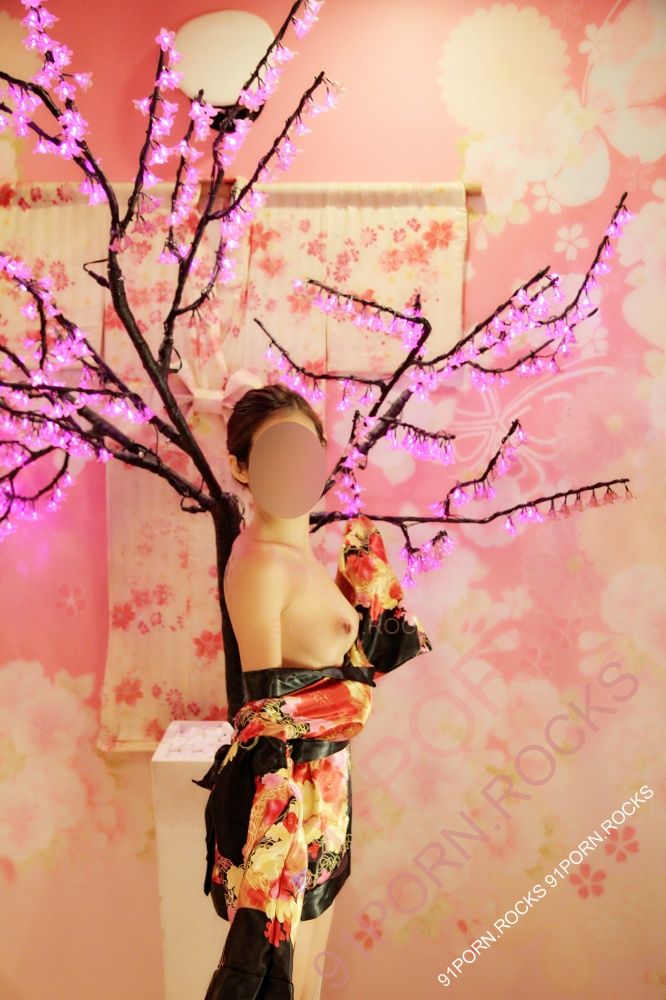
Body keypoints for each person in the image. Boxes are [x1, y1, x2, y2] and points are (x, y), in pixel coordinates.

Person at [194, 383, 432, 1000]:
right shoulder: (262, 564)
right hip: (291, 803)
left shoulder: (301, 555)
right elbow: (266, 714)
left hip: (326, 793)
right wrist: (275, 837)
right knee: (279, 977)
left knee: (308, 972)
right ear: (242, 467)